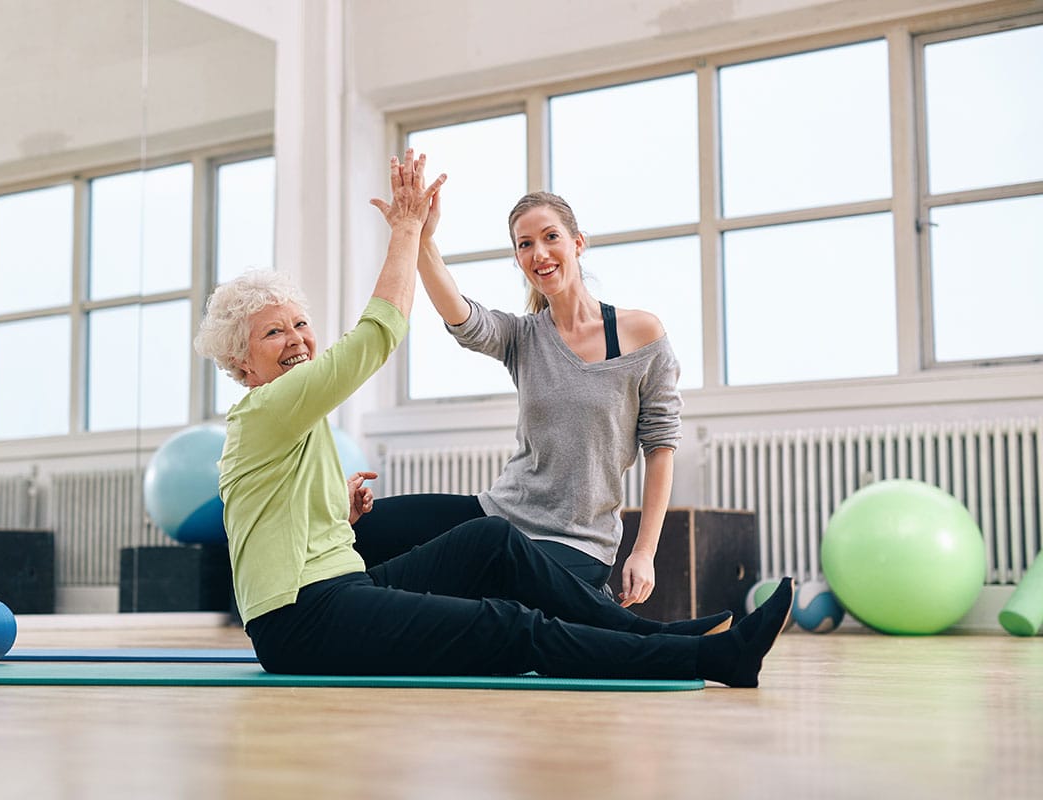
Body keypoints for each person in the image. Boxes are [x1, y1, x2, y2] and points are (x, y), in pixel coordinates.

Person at [193, 149, 793, 685]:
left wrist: (333, 508)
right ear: (242, 364)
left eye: (301, 323)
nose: (297, 338)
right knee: (509, 625)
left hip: (350, 583)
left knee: (490, 543)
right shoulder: (273, 404)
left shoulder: (293, 413)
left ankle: (678, 640)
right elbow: (386, 332)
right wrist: (410, 233)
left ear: (578, 242)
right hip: (302, 615)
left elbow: (272, 506)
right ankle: (706, 657)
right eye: (274, 332)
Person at [353, 189, 684, 610]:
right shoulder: (523, 337)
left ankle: (585, 600)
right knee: (360, 530)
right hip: (499, 515)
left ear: (577, 243)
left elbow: (661, 447)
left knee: (473, 589)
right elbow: (463, 317)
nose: (539, 253)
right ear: (517, 258)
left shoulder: (642, 334)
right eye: (525, 244)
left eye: (550, 237)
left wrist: (644, 552)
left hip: (577, 543)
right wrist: (419, 236)